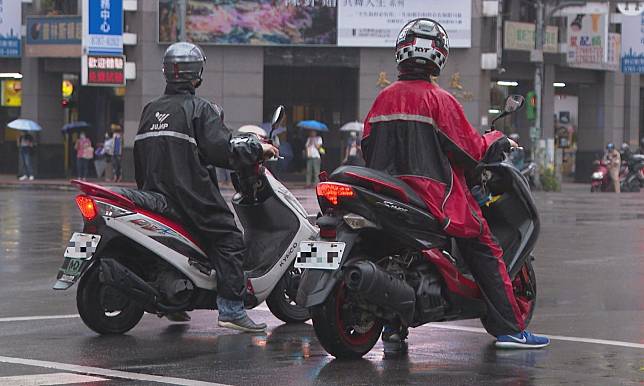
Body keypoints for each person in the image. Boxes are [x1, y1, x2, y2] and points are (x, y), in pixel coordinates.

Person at [363, 18, 550, 350]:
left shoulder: (382, 101)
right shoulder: (439, 100)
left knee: (392, 252)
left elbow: (367, 147)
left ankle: (393, 328)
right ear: (439, 55)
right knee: (484, 243)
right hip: (434, 196)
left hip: (386, 193)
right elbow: (472, 151)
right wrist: (497, 139)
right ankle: (509, 328)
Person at [133, 42, 278, 332]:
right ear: (197, 74)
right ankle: (232, 309)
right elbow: (224, 150)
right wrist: (258, 150)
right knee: (230, 239)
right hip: (190, 197)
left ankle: (176, 303)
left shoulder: (151, 110)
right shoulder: (199, 109)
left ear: (166, 72)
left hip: (153, 196)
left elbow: (138, 155)